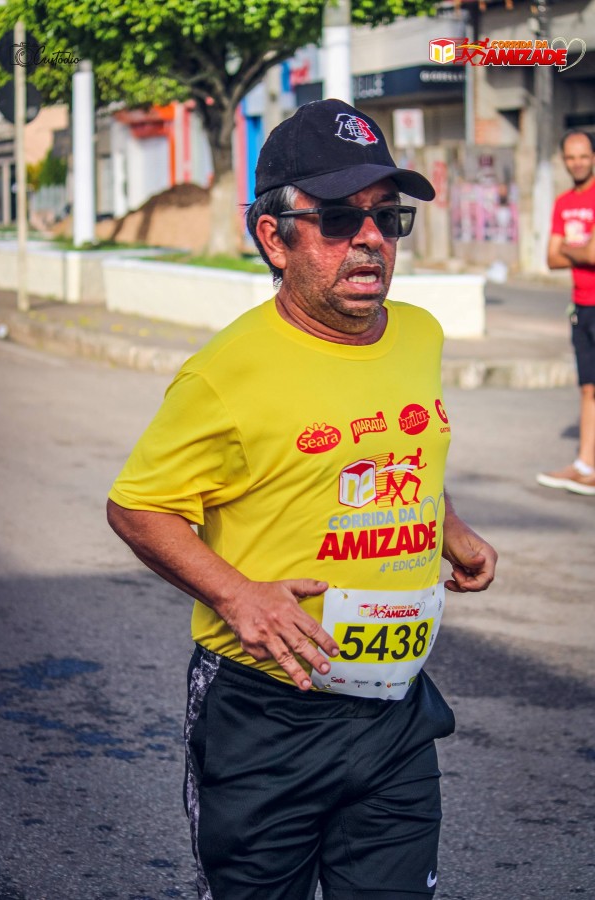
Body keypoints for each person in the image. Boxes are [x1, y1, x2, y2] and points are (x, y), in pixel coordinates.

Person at [107, 99, 497, 900]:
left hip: (395, 708)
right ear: (273, 238)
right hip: (267, 713)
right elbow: (137, 506)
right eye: (337, 220)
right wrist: (237, 594)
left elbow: (400, 447)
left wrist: (449, 526)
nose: (370, 240)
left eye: (387, 217)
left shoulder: (418, 333)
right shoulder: (227, 372)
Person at [537, 130, 595, 496]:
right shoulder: (562, 202)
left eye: (583, 156)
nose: (577, 163)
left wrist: (573, 248)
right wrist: (582, 248)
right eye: (571, 157)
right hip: (582, 306)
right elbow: (551, 257)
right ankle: (585, 465)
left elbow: (589, 255)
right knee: (588, 388)